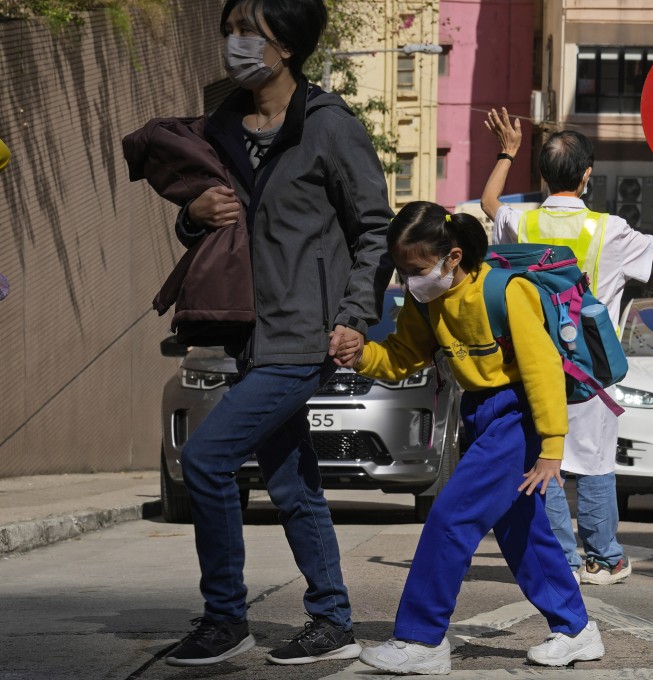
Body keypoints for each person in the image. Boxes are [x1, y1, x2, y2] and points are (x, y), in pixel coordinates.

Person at [162, 0, 393, 667]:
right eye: (228, 30)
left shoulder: (329, 128)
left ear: (286, 46)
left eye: (247, 33)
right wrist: (193, 213)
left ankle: (226, 616)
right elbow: (203, 220)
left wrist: (353, 316)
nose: (233, 43)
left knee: (206, 459)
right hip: (248, 332)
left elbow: (374, 228)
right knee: (293, 483)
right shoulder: (223, 124)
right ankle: (332, 620)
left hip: (305, 335)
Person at [342, 202, 604, 674]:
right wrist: (362, 355)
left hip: (517, 412)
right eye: (400, 271)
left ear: (453, 257)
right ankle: (577, 630)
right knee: (520, 527)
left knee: (450, 517)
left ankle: (421, 641)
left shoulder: (507, 291)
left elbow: (542, 370)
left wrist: (551, 448)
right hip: (481, 413)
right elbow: (402, 358)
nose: (407, 281)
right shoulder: (426, 304)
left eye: (415, 269)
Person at [481, 108, 653, 585]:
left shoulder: (519, 223)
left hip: (534, 365)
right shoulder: (609, 230)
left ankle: (563, 561)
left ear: (544, 176)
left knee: (544, 460)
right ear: (587, 175)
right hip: (589, 369)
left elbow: (491, 201)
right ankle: (604, 557)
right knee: (592, 461)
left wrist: (507, 151)